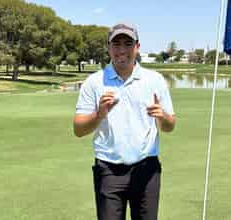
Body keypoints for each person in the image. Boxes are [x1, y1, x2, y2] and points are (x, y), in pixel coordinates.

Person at [73, 23, 176, 220]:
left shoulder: (154, 80)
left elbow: (170, 126)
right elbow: (78, 129)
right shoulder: (94, 82)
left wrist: (162, 117)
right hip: (109, 170)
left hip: (147, 169)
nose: (122, 50)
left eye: (128, 43)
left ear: (137, 47)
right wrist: (99, 115)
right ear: (108, 47)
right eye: (116, 44)